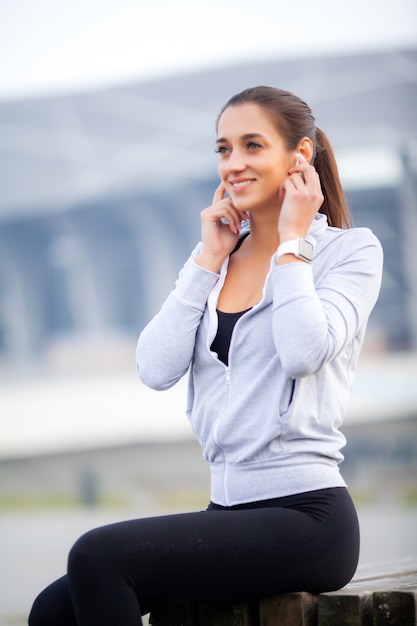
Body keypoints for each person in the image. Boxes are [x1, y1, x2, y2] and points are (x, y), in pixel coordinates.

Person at [28, 86, 383, 626]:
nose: (234, 163)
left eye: (252, 146)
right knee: (54, 609)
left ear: (300, 157)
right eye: (223, 149)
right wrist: (208, 260)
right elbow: (154, 369)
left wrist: (291, 243)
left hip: (308, 517)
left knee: (98, 556)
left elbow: (302, 350)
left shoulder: (348, 251)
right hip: (228, 513)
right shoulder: (214, 258)